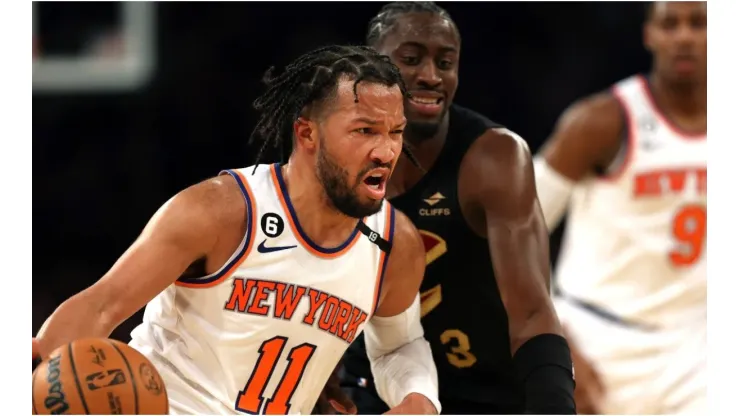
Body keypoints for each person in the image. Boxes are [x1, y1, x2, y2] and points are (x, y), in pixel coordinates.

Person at [31, 45, 442, 415]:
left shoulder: (394, 244)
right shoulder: (220, 211)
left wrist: (419, 399)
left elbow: (399, 344)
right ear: (307, 133)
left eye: (395, 132)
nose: (386, 151)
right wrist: (33, 374)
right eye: (365, 130)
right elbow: (102, 305)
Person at [334, 3, 576, 415]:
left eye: (445, 62)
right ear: (371, 67)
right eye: (411, 59)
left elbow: (534, 312)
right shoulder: (333, 155)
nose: (431, 75)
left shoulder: (494, 159)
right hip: (376, 384)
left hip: (489, 393)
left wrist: (555, 405)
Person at [534, 2, 706, 414]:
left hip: (697, 345)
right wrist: (552, 343)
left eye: (699, 23)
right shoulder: (601, 120)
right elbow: (511, 234)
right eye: (670, 23)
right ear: (650, 34)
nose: (683, 36)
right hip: (597, 338)